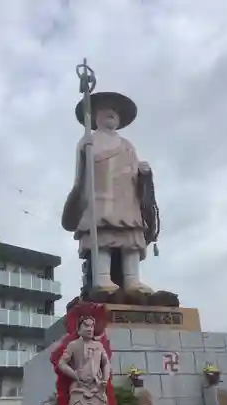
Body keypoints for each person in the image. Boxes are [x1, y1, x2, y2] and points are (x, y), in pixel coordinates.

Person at [61, 92, 159, 294]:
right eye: (107, 110)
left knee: (130, 241)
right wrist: (85, 153)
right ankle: (102, 277)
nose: (111, 114)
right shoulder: (89, 141)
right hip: (100, 198)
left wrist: (144, 173)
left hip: (127, 201)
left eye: (115, 111)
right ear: (95, 116)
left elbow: (136, 175)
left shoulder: (127, 145)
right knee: (102, 240)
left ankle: (132, 280)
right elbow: (81, 174)